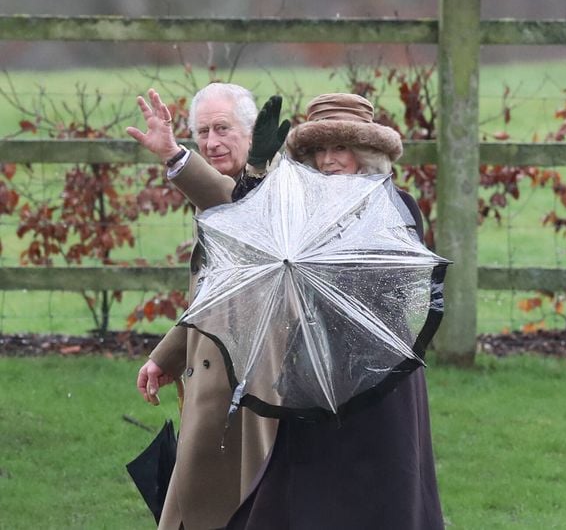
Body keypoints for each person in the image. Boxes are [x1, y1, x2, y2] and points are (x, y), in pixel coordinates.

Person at [225, 93, 445, 530]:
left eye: (339, 148)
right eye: (317, 150)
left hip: (380, 373)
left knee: (383, 490)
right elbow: (248, 227)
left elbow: (388, 290)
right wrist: (255, 172)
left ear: (364, 152)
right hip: (311, 365)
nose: (327, 161)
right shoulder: (296, 204)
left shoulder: (395, 206)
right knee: (304, 488)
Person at [126, 83, 289, 530]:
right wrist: (168, 355)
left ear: (253, 131)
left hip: (253, 391)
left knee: (246, 511)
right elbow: (214, 298)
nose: (212, 141)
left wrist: (176, 157)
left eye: (222, 128)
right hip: (212, 391)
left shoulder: (276, 187)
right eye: (202, 132)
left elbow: (237, 209)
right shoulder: (228, 190)